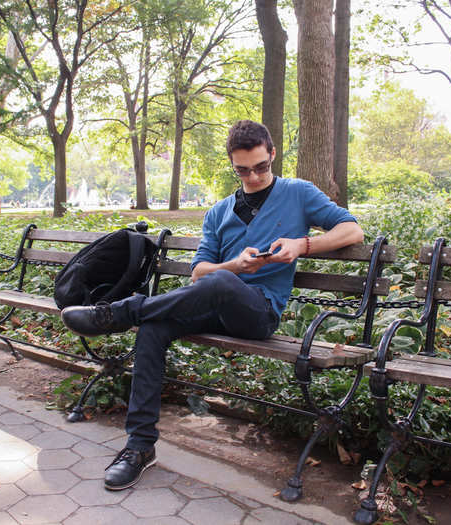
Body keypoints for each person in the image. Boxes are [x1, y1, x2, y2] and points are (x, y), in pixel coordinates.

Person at [60, 120, 364, 491]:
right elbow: (198, 274)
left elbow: (352, 230)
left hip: (258, 313)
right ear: (232, 166)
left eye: (261, 167)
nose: (253, 176)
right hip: (212, 308)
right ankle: (139, 447)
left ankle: (122, 313)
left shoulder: (298, 193)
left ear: (272, 153)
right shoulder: (219, 212)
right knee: (157, 327)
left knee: (219, 284)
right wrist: (234, 265)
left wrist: (303, 245)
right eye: (243, 170)